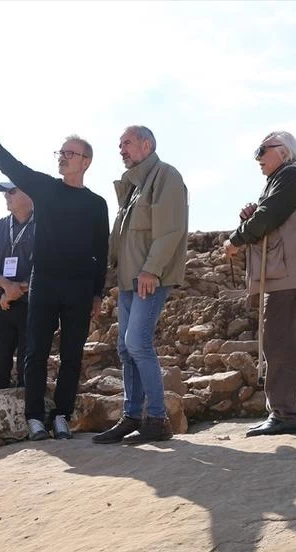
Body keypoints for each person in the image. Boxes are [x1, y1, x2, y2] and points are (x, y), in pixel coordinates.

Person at [0, 110, 109, 441]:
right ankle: (34, 418)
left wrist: (97, 293)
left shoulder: (96, 204)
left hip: (78, 287)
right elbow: (12, 168)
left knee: (73, 353)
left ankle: (61, 415)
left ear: (85, 162)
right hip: (44, 284)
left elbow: (100, 252)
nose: (62, 158)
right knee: (36, 352)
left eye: (69, 153)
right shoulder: (45, 188)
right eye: (60, 153)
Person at [223, 131, 296, 437]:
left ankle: (285, 414)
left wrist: (236, 239)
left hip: (290, 273)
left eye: (262, 150)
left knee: (280, 342)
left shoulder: (292, 175)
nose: (257, 158)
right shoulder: (288, 177)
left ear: (284, 152)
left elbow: (269, 217)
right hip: (294, 271)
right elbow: (272, 214)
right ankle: (289, 411)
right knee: (289, 342)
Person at [94, 126, 188, 444]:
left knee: (137, 343)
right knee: (125, 347)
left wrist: (151, 270)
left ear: (146, 145)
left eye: (127, 143)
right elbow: (120, 238)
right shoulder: (133, 185)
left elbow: (170, 230)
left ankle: (158, 420)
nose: (121, 149)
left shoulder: (166, 176)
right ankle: (132, 416)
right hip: (128, 281)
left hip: (150, 277)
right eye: (119, 144)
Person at [0, 181, 35, 390]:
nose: (6, 195)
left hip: (32, 304)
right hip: (1, 303)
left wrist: (15, 290)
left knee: (28, 363)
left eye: (12, 190)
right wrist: (6, 286)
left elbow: (48, 266)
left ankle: (28, 416)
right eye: (4, 192)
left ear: (29, 194)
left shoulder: (45, 225)